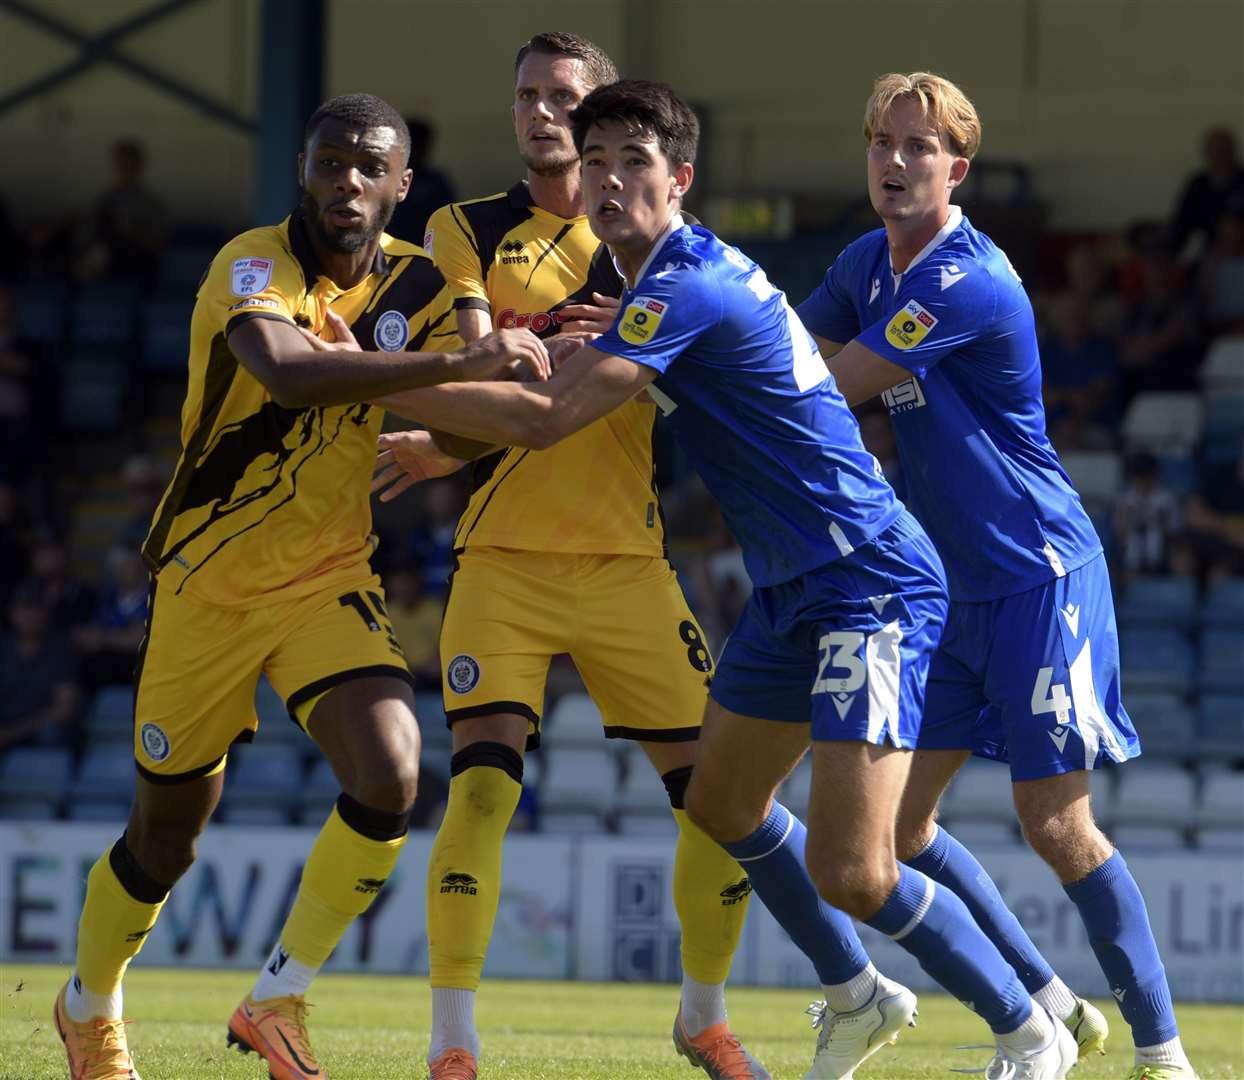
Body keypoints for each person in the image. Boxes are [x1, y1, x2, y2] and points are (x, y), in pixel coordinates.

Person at [307, 78, 1080, 1080]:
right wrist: (448, 447)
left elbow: (547, 422)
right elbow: (572, 395)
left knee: (851, 868)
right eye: (594, 163)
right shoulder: (646, 293)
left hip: (868, 580)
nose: (609, 180)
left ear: (678, 180)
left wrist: (364, 386)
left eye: (634, 163)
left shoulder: (683, 285)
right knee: (720, 809)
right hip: (788, 591)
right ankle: (855, 998)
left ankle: (1028, 1029)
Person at [51, 92, 548, 1080]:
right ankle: (87, 1006)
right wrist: (453, 366)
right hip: (209, 583)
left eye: (369, 168)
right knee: (164, 842)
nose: (346, 185)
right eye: (329, 164)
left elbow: (465, 425)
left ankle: (274, 997)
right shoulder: (254, 263)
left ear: (401, 185)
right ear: (304, 173)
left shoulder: (420, 285)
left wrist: (503, 385)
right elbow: (283, 371)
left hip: (326, 576)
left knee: (391, 773)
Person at [373, 33, 767, 1080]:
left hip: (627, 565)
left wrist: (419, 404)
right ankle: (451, 1048)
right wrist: (462, 416)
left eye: (567, 100)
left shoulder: (653, 251)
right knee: (482, 792)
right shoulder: (465, 229)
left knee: (720, 804)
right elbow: (486, 364)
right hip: (501, 557)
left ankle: (703, 1015)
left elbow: (597, 385)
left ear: (607, 120)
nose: (546, 116)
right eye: (528, 97)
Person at [796, 72, 1196, 1080]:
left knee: (1054, 823)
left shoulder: (960, 280)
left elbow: (830, 389)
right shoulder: (863, 261)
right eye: (882, 144)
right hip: (951, 590)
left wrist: (693, 363)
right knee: (894, 828)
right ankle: (1047, 1009)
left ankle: (1162, 1052)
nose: (894, 163)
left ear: (955, 168)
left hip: (1036, 575)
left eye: (918, 148)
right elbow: (789, 345)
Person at [0, 578, 80, 753]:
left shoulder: (62, 648)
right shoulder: (3, 647)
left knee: (52, 732)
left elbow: (65, 709)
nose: (30, 616)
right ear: (12, 613)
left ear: (46, 613)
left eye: (36, 609)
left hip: (40, 730)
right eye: (24, 609)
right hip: (5, 726)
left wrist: (12, 733)